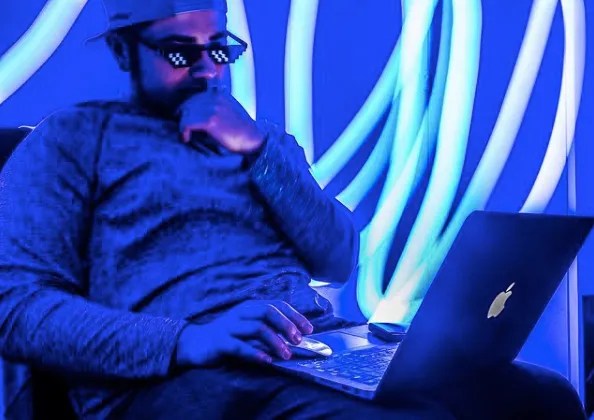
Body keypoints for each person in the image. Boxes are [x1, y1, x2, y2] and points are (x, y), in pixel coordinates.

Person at [0, 1, 586, 419]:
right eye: (180, 53)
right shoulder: (69, 143)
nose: (208, 70)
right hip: (176, 373)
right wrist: (188, 339)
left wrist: (257, 151)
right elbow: (16, 310)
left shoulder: (264, 141)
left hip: (311, 349)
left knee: (544, 397)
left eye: (220, 49)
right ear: (124, 52)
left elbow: (337, 258)